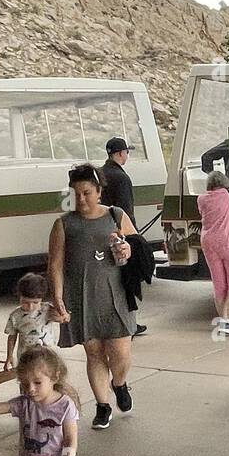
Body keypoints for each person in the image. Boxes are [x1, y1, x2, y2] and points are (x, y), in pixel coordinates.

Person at [49, 163, 138, 431]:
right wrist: (58, 298)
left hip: (117, 295)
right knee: (95, 352)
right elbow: (55, 264)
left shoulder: (115, 215)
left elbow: (138, 247)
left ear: (99, 191)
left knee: (120, 353)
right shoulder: (64, 224)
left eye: (86, 193)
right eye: (75, 194)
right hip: (82, 297)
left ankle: (119, 383)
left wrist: (127, 249)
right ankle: (103, 405)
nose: (81, 199)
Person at [100, 138, 146, 337]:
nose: (127, 155)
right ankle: (129, 324)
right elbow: (125, 211)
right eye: (126, 152)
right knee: (127, 281)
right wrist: (133, 235)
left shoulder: (100, 174)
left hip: (102, 232)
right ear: (119, 153)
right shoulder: (121, 178)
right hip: (120, 235)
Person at [197, 171, 229, 336]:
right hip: (227, 242)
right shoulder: (227, 196)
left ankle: (223, 320)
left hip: (208, 242)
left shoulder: (201, 199)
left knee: (218, 284)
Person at [4, 272, 55, 365]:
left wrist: (62, 315)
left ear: (41, 299)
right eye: (25, 302)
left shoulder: (47, 309)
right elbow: (12, 336)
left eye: (35, 302)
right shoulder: (15, 316)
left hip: (47, 357)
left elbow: (63, 316)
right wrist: (9, 356)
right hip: (25, 357)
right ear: (19, 296)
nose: (30, 307)